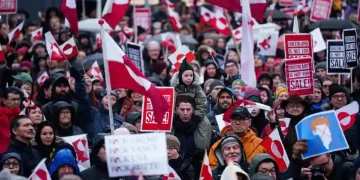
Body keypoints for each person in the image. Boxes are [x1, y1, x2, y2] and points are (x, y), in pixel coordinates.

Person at [171, 95, 212, 179]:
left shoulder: (204, 126)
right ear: (176, 110)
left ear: (193, 110)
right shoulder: (170, 127)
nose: (185, 113)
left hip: (199, 169)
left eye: (188, 109)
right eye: (182, 110)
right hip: (175, 170)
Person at [0, 87, 21, 154]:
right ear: (4, 100)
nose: (16, 102)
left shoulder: (19, 114)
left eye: (18, 99)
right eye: (13, 99)